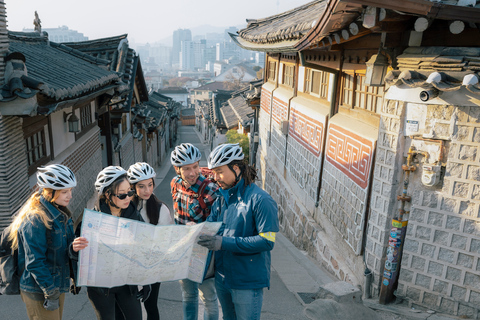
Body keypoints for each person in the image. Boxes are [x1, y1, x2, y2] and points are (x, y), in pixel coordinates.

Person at [198, 143, 279, 320]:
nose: (215, 177)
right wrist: (197, 231)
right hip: (222, 278)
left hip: (247, 282)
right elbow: (211, 226)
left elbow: (267, 241)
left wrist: (223, 242)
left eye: (219, 171)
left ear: (235, 169)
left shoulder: (261, 200)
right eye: (213, 172)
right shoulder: (220, 197)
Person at [8, 164, 87, 320]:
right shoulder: (36, 218)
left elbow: (60, 249)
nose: (69, 196)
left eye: (70, 190)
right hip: (40, 290)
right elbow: (35, 262)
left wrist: (73, 248)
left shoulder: (60, 212)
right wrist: (51, 293)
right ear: (49, 192)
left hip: (55, 285)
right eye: (64, 192)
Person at [74, 165, 150, 320]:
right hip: (100, 287)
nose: (128, 198)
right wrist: (73, 249)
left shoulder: (134, 215)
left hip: (126, 284)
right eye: (122, 195)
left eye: (129, 192)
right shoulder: (91, 221)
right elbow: (78, 254)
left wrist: (146, 280)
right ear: (107, 195)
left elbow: (142, 249)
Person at [170, 143, 219, 320]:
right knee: (188, 295)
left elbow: (219, 225)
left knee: (209, 298)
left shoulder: (211, 190)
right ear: (177, 169)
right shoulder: (175, 184)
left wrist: (198, 229)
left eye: (195, 167)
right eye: (187, 169)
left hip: (203, 251)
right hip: (183, 250)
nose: (192, 173)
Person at [127, 162, 173, 320]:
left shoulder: (161, 209)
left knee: (150, 305)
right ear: (132, 187)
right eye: (141, 186)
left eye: (150, 185)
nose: (147, 190)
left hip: (153, 266)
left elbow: (164, 243)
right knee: (129, 307)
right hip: (129, 265)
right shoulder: (126, 207)